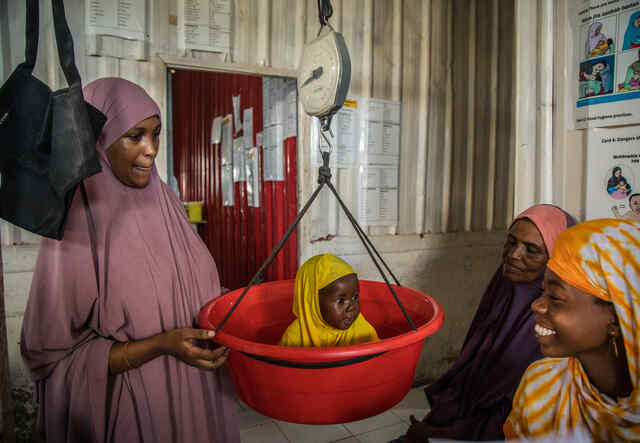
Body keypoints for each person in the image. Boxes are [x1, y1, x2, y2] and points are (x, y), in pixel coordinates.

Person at [20, 78, 239, 443]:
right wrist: (160, 345)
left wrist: (234, 305)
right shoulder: (78, 215)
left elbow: (185, 288)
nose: (150, 150)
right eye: (134, 136)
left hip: (196, 393)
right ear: (98, 139)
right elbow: (51, 355)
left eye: (155, 134)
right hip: (137, 406)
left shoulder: (165, 201)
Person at [397, 204, 576, 442]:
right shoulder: (504, 284)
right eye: (511, 242)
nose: (514, 254)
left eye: (531, 250)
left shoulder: (552, 323)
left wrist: (436, 434)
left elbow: (515, 414)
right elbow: (473, 363)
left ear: (555, 260)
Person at [504, 219, 640, 441]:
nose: (536, 305)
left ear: (617, 319)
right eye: (542, 291)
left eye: (555, 297)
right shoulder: (541, 386)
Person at [279, 253, 379, 347]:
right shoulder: (296, 336)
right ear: (313, 302)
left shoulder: (361, 329)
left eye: (355, 297)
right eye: (341, 301)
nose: (352, 307)